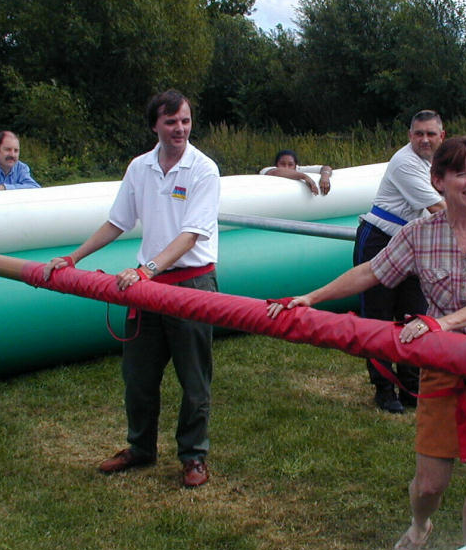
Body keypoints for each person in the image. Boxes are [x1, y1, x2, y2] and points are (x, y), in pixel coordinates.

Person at [268, 136, 466, 548]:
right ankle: (420, 526)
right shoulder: (418, 233)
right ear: (438, 182)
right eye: (461, 173)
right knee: (430, 482)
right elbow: (371, 272)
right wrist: (312, 297)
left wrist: (442, 324)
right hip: (445, 362)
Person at [43, 90, 220, 488]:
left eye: (185, 121)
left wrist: (146, 270)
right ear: (155, 125)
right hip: (147, 288)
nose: (180, 129)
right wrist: (73, 257)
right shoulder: (140, 168)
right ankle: (141, 448)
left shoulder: (204, 170)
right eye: (171, 122)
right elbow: (117, 222)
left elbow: (191, 235)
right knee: (138, 375)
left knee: (194, 379)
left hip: (191, 284)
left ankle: (194, 456)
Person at [354, 110, 446, 413]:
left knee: (414, 315)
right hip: (379, 240)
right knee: (377, 318)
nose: (424, 140)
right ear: (410, 136)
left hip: (411, 243)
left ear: (441, 136)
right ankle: (384, 390)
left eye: (430, 134)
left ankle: (411, 387)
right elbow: (440, 209)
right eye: (419, 134)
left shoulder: (437, 162)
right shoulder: (406, 162)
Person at [260, 149, 332, 195]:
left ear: (295, 166)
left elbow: (326, 168)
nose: (286, 167)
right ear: (276, 164)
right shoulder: (266, 170)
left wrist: (325, 178)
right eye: (282, 164)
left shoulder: (298, 169)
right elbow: (275, 172)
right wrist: (304, 176)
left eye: (290, 164)